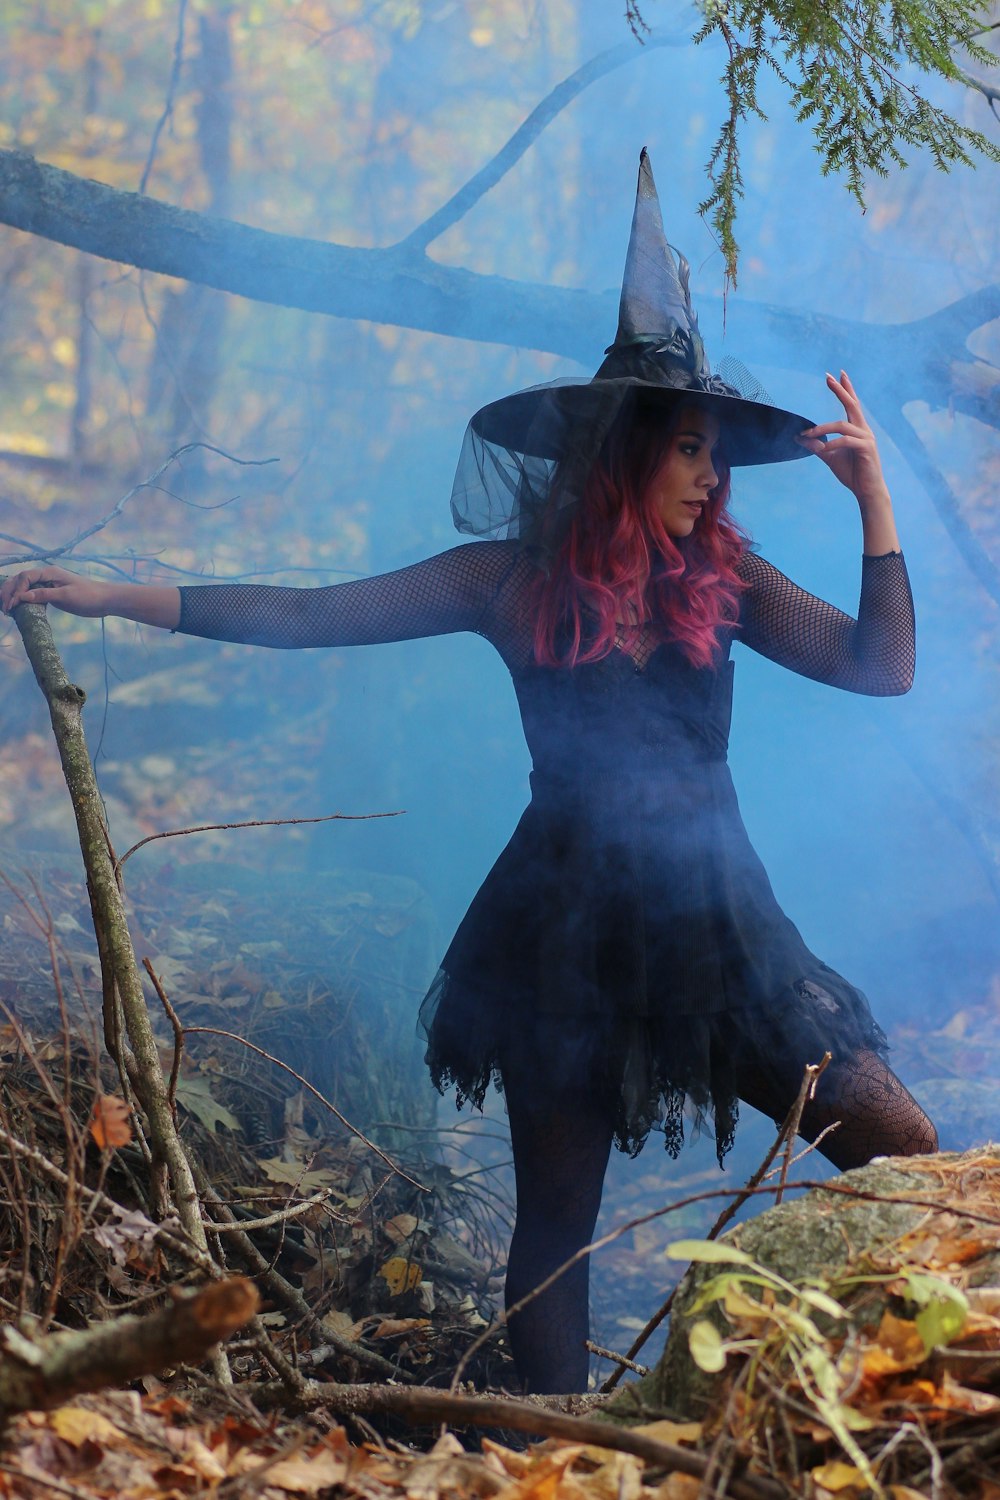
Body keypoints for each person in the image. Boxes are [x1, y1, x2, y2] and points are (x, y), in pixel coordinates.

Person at [1, 152, 937, 1395]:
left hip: (723, 920)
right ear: (628, 452)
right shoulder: (509, 581)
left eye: (717, 453)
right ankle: (555, 1454)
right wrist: (112, 594)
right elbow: (310, 614)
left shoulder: (729, 579)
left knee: (900, 1145)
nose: (713, 477)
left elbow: (882, 669)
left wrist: (876, 498)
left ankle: (879, 1381)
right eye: (694, 450)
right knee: (554, 1236)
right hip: (559, 928)